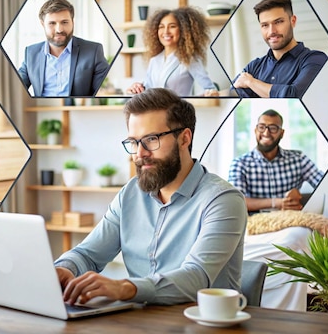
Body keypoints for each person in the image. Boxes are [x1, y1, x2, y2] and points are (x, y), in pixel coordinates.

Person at [54, 88, 247, 306]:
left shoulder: (223, 200)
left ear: (184, 139)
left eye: (151, 139)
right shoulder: (130, 194)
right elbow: (88, 254)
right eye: (134, 142)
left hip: (202, 324)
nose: (140, 153)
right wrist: (63, 269)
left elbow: (197, 277)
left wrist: (124, 287)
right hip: (140, 321)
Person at [228, 109, 324, 213]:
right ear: (255, 130)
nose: (266, 133)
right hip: (254, 224)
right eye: (261, 127)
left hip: (290, 221)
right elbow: (235, 202)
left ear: (282, 133)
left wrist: (298, 197)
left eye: (273, 128)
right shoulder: (239, 163)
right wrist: (277, 203)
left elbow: (324, 184)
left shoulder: (299, 159)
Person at [232, 0, 328, 98]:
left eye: (278, 22)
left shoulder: (315, 59)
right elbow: (233, 93)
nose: (272, 31)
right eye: (265, 25)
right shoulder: (254, 66)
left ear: (293, 21)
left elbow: (294, 96)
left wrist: (251, 83)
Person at [17, 0, 109, 97]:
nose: (59, 29)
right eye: (52, 23)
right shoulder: (31, 53)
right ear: (43, 24)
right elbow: (15, 87)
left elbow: (104, 92)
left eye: (64, 22)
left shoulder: (93, 51)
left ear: (72, 22)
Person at [127, 7, 218, 97]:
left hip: (178, 110)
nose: (166, 31)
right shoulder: (154, 61)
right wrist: (137, 88)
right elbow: (147, 90)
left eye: (172, 26)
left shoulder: (190, 59)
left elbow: (209, 90)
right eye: (161, 27)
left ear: (183, 30)